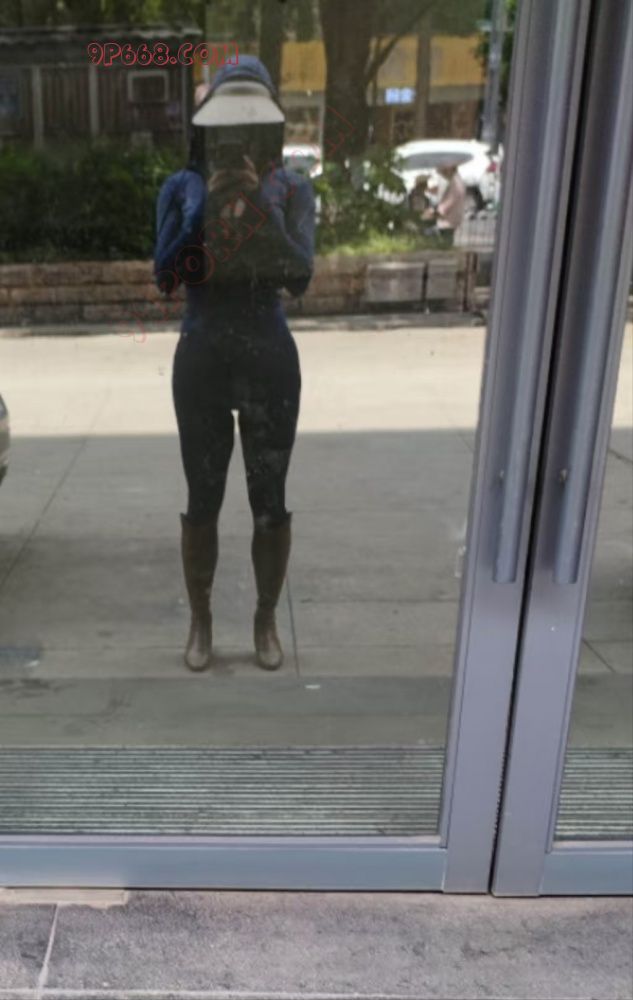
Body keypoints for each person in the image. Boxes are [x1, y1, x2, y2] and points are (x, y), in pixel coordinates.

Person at [154, 56, 315, 673]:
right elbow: (166, 275)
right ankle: (201, 619)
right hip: (203, 355)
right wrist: (204, 211)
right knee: (203, 496)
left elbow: (299, 276)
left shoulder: (292, 189)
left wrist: (260, 208)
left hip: (268, 356)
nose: (236, 139)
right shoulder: (182, 187)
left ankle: (265, 619)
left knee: (269, 498)